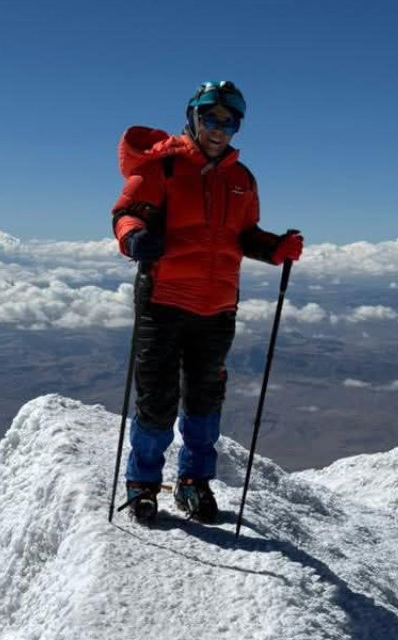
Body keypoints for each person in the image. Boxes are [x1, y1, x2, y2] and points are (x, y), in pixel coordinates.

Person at [111, 80, 304, 523]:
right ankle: (142, 486)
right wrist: (133, 239)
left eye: (229, 120)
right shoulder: (164, 167)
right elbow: (126, 214)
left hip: (217, 308)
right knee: (156, 399)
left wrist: (275, 247)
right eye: (210, 117)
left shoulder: (242, 180)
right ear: (192, 117)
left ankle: (194, 484)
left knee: (204, 400)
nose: (219, 128)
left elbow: (244, 236)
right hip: (164, 301)